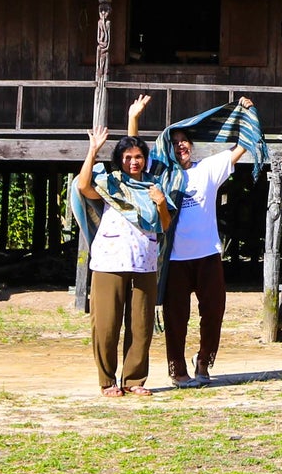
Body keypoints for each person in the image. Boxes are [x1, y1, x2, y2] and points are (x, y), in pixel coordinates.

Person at [128, 93, 263, 388]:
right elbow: (133, 153)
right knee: (176, 319)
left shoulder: (208, 170)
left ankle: (204, 361)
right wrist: (134, 118)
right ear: (169, 149)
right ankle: (177, 370)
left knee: (214, 312)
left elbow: (243, 146)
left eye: (184, 140)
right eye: (175, 142)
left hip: (208, 255)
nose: (181, 145)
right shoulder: (161, 174)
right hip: (175, 259)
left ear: (192, 144)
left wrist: (248, 114)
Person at [70, 124, 174, 398]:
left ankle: (134, 379)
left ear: (144, 158)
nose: (133, 161)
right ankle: (107, 381)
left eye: (137, 156)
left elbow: (164, 224)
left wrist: (161, 202)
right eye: (127, 157)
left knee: (140, 325)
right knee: (106, 324)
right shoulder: (111, 184)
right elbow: (83, 186)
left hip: (144, 262)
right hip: (109, 262)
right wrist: (92, 151)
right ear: (120, 160)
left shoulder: (154, 185)